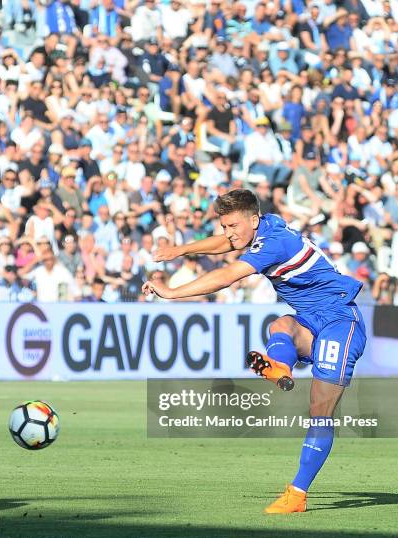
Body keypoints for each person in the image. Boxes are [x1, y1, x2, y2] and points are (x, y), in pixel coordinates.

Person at [143, 188, 367, 514]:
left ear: (253, 219)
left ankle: (297, 494)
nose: (228, 233)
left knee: (319, 410)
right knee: (280, 326)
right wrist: (179, 250)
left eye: (233, 225)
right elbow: (227, 244)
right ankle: (280, 369)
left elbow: (227, 275)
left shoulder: (274, 242)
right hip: (312, 319)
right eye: (224, 226)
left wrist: (173, 293)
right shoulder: (266, 224)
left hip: (341, 322)